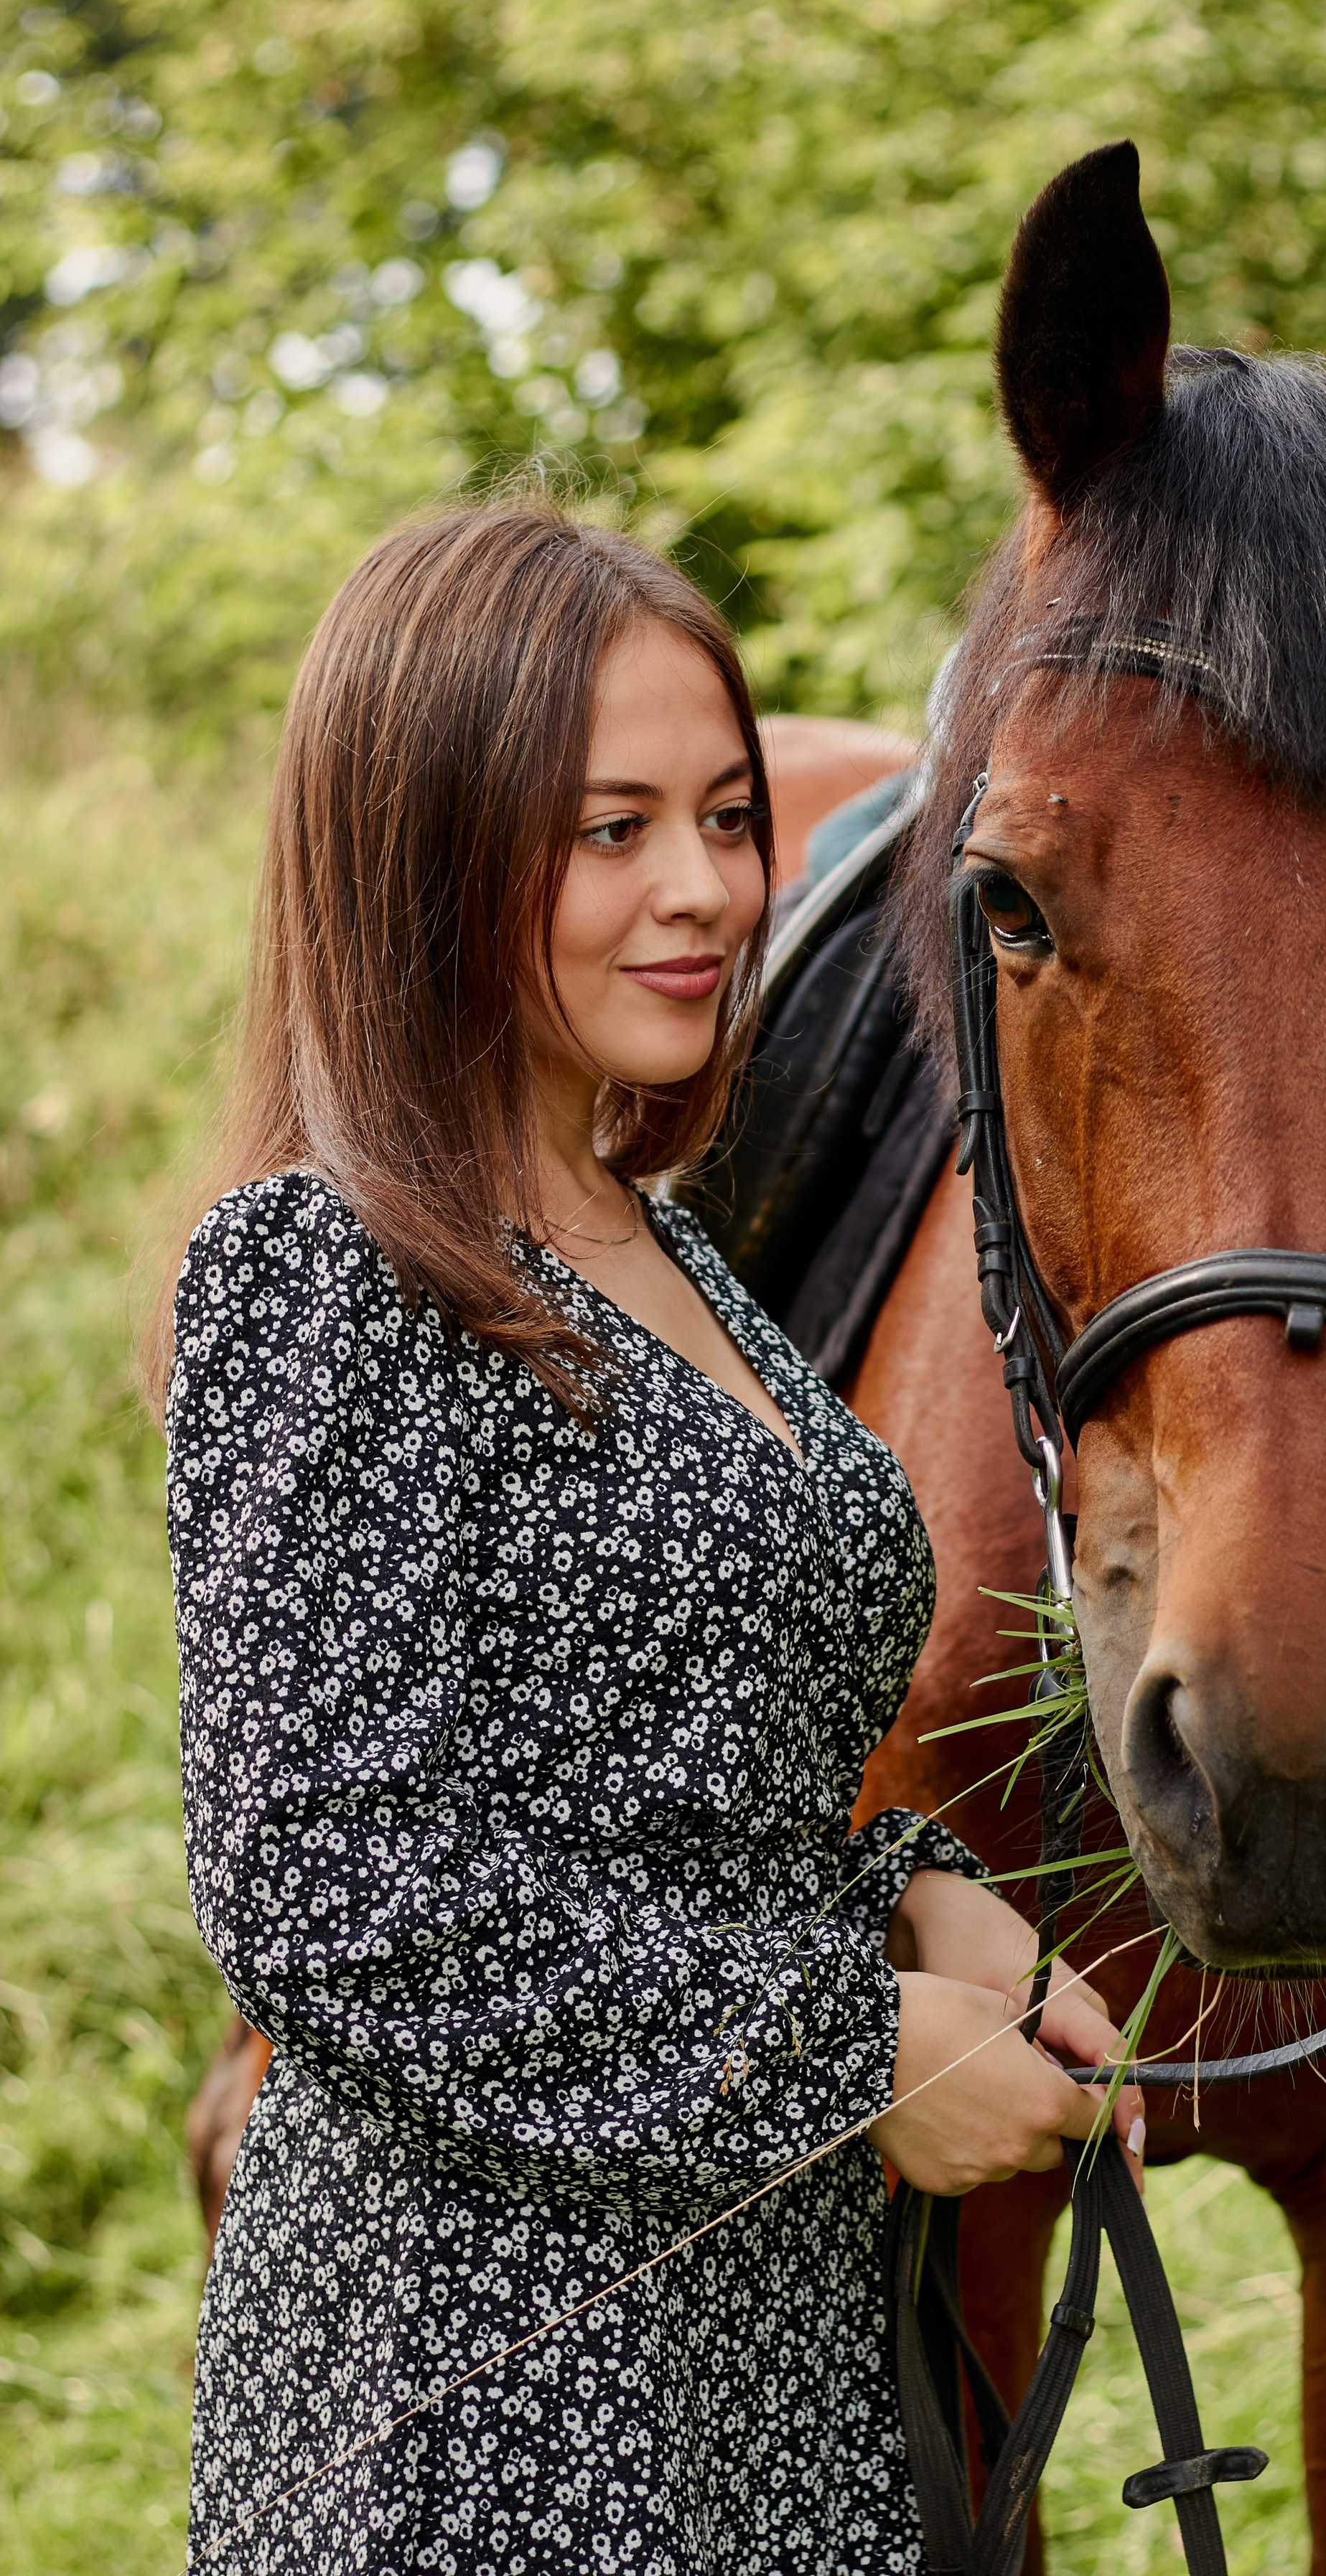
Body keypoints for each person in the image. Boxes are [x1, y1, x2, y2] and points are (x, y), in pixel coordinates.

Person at [157, 500, 1143, 2575]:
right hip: (484, 2405)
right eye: (611, 831)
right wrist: (847, 2058)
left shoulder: (662, 1246)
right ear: (421, 851)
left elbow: (665, 1795)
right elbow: (329, 1893)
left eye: (724, 816)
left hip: (755, 2358)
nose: (704, 888)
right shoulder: (322, 1272)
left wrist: (917, 1903)